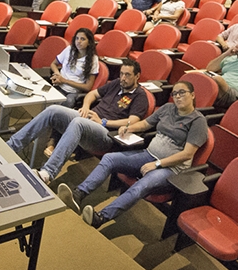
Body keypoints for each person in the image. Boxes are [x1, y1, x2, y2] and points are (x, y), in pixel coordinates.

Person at [57, 80, 208, 228]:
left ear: (193, 95)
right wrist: (128, 127)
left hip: (171, 168)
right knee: (109, 158)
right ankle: (79, 193)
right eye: (175, 93)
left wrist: (157, 164)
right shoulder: (167, 108)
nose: (178, 96)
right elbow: (145, 124)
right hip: (148, 155)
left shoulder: (198, 121)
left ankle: (101, 217)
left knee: (141, 185)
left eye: (182, 92)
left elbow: (187, 154)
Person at [8, 59, 148, 183]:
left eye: (127, 75)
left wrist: (103, 122)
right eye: (121, 73)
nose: (123, 78)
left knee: (78, 123)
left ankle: (47, 172)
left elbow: (132, 122)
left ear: (137, 76)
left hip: (106, 133)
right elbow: (92, 94)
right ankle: (12, 146)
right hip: (89, 120)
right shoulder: (117, 83)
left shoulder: (140, 96)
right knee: (53, 110)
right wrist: (86, 107)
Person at [51, 28, 99, 108]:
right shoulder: (69, 49)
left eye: (82, 39)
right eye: (77, 38)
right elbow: (53, 64)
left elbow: (88, 87)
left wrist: (65, 81)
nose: (78, 41)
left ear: (89, 43)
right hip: (58, 85)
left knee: (65, 104)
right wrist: (57, 75)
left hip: (72, 92)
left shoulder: (93, 59)